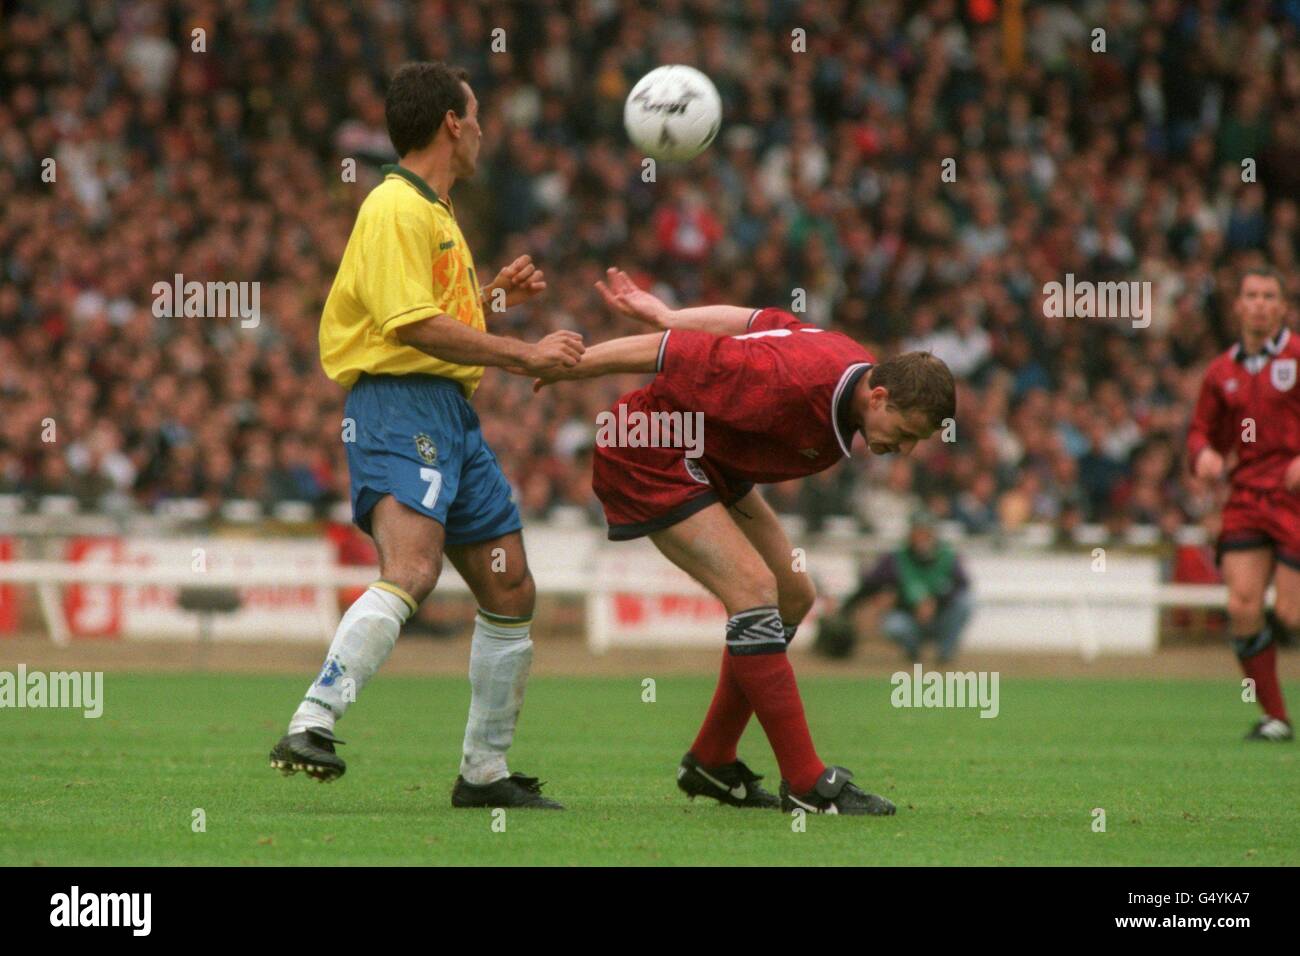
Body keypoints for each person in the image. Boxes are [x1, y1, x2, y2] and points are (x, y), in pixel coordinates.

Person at [269, 62, 585, 807]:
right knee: (412, 568)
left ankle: (484, 774)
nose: (481, 130)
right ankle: (312, 719)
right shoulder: (394, 208)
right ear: (451, 121)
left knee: (509, 586)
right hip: (399, 408)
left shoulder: (435, 212)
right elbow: (407, 326)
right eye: (475, 116)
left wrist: (493, 297)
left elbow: (428, 312)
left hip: (449, 417)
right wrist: (524, 354)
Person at [536, 268, 956, 815]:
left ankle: (712, 758)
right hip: (653, 450)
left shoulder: (846, 368)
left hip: (712, 461)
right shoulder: (791, 381)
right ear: (879, 397)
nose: (903, 450)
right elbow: (668, 352)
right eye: (904, 435)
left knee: (793, 595)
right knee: (755, 590)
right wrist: (562, 364)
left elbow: (754, 321)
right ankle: (806, 783)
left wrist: (670, 312)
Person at [1187, 266, 1297, 742]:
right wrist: (1204, 455)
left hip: (1294, 497)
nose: (1257, 303)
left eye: (1267, 295)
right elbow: (1199, 432)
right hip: (1248, 496)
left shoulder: (1297, 356)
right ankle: (1275, 717)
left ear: (1282, 307)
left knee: (1292, 615)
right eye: (1250, 294)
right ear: (1238, 306)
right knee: (1242, 605)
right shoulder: (1221, 372)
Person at [839, 510, 972, 664]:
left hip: (940, 617)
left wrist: (936, 601)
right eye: (918, 532)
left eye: (926, 533)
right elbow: (869, 585)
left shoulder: (948, 556)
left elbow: (963, 585)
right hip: (909, 617)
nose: (922, 538)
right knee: (893, 625)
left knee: (966, 602)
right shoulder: (896, 558)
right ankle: (912, 651)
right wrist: (844, 610)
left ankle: (945, 653)